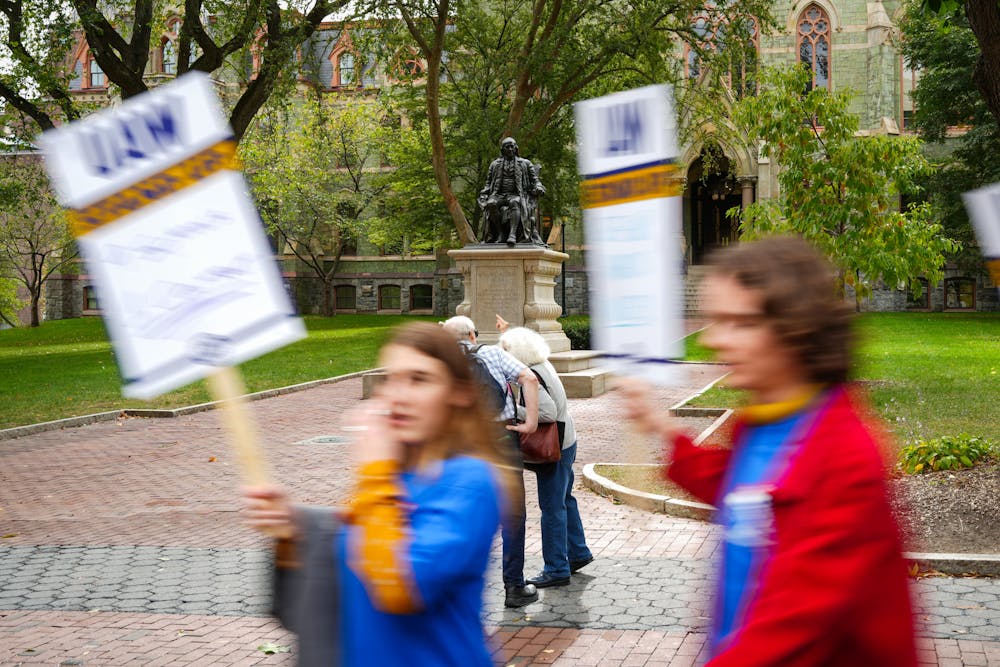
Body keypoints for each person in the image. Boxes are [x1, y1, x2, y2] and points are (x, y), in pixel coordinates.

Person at [619, 236, 917, 666]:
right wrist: (662, 427)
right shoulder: (764, 421)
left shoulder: (846, 456)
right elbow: (741, 489)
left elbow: (792, 625)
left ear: (794, 328)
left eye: (739, 323)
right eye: (715, 320)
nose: (715, 341)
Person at [243, 322, 518, 666]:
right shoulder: (393, 478)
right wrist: (291, 531)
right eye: (391, 378)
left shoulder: (471, 481)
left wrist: (373, 471)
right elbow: (349, 576)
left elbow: (400, 586)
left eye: (419, 379)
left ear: (459, 393)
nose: (398, 395)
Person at [441, 315, 541, 608]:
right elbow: (529, 378)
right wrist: (531, 422)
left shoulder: (441, 363)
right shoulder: (493, 354)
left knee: (461, 512)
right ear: (473, 334)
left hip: (461, 444)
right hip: (500, 439)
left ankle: (459, 588)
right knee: (512, 513)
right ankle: (514, 586)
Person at [497, 321, 594, 588]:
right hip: (567, 441)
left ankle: (556, 569)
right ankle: (577, 553)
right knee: (564, 500)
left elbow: (546, 413)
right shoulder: (542, 363)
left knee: (552, 508)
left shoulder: (533, 376)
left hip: (554, 446)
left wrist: (512, 412)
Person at [477, 137, 546, 245]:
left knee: (515, 202)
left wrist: (539, 187)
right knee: (491, 203)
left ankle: (512, 235)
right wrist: (484, 195)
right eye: (507, 147)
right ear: (502, 149)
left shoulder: (525, 163)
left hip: (517, 194)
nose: (510, 149)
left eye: (512, 146)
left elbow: (536, 181)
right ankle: (501, 233)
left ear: (516, 148)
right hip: (498, 194)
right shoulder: (494, 164)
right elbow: (488, 183)